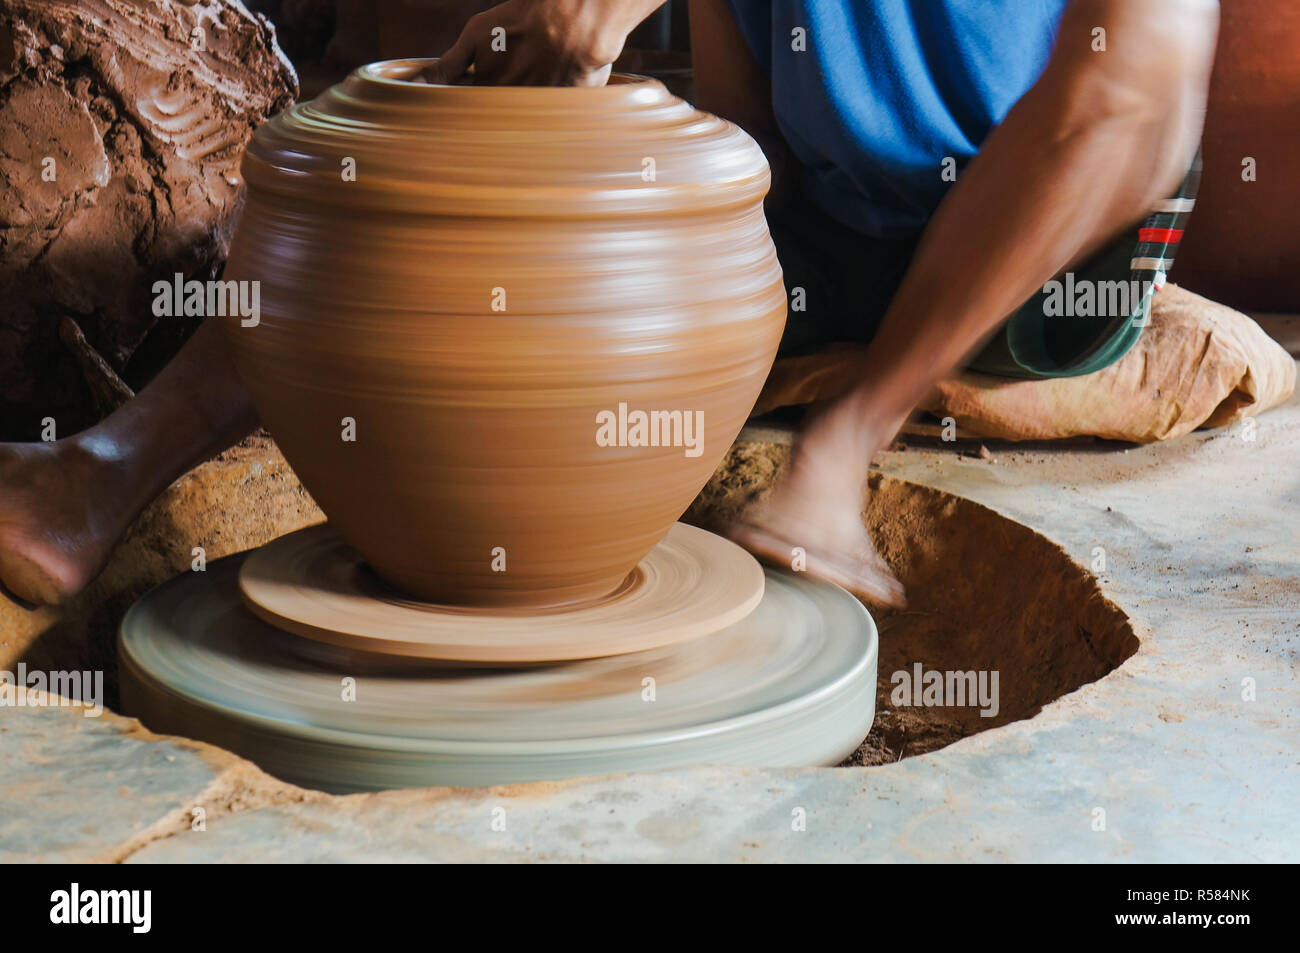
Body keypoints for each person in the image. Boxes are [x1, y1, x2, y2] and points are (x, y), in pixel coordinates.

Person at [0, 0, 1218, 608]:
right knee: (420, 168)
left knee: (1128, 89)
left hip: (1066, 243)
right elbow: (755, 138)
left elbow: (1136, 94)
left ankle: (851, 437)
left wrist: (848, 435)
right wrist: (566, 145)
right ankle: (107, 466)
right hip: (846, 211)